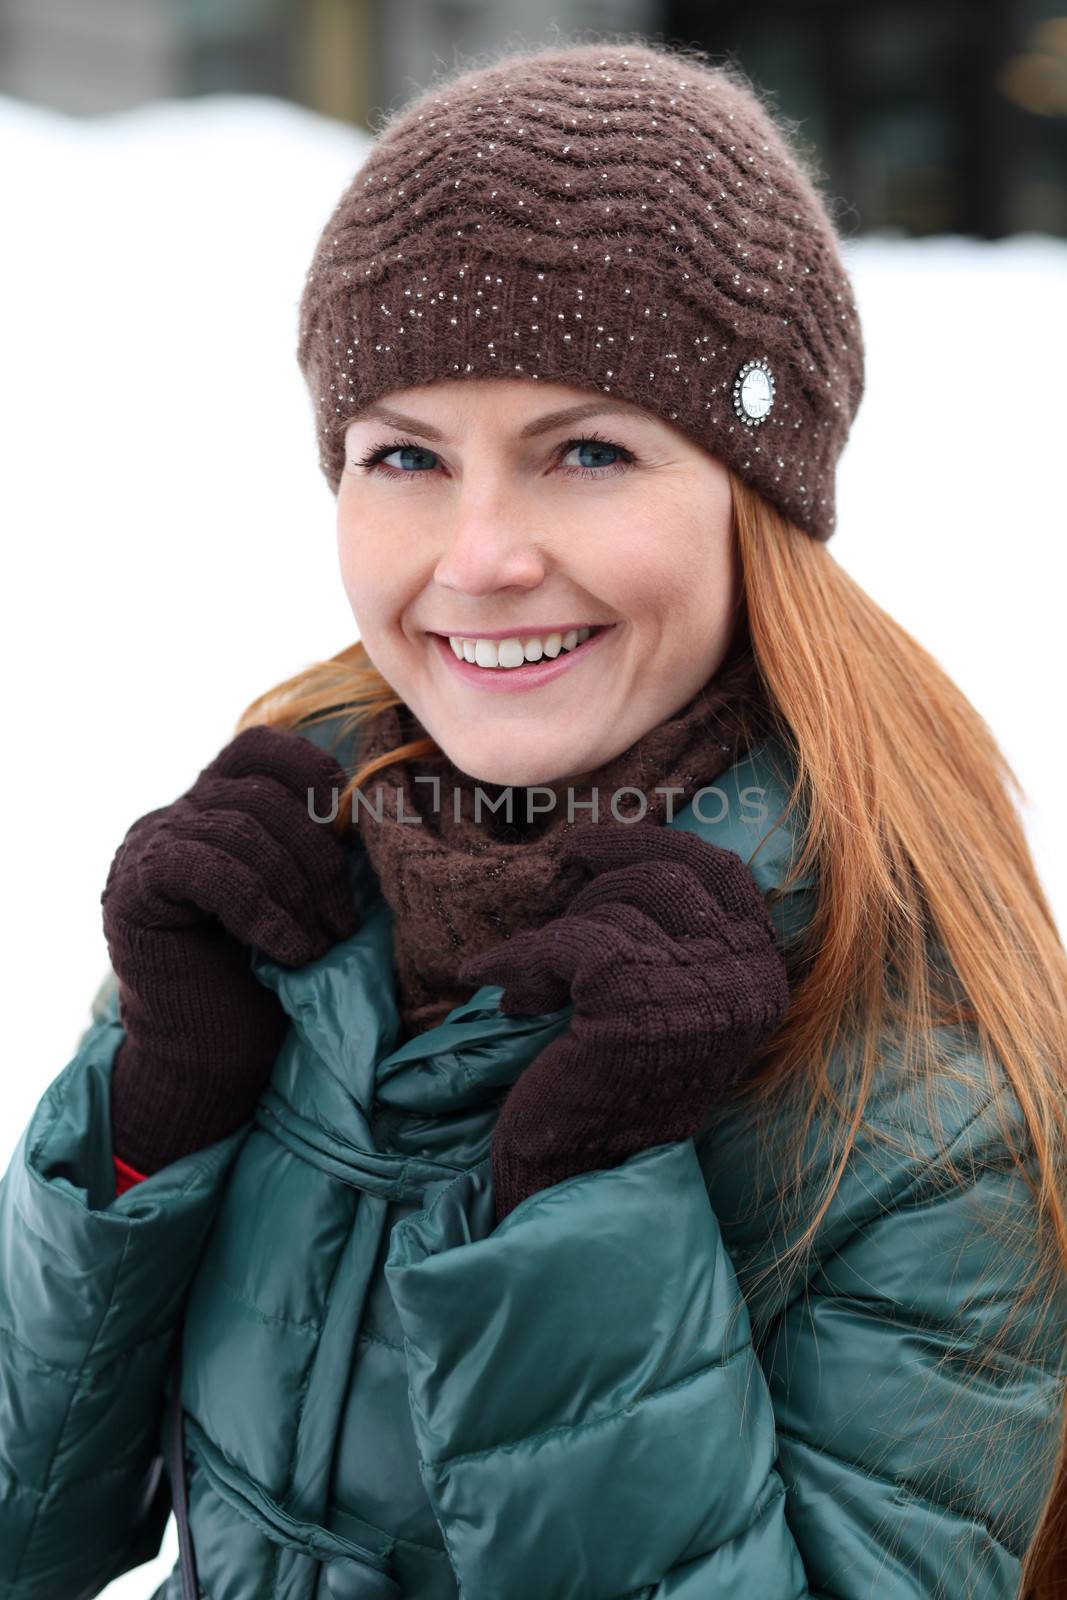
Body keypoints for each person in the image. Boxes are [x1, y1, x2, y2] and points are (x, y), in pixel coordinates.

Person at [1, 34, 1066, 1600]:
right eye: (405, 457)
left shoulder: (914, 1088)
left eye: (586, 451)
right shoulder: (292, 905)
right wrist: (154, 1116)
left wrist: (588, 1196)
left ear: (754, 496)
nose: (479, 554)